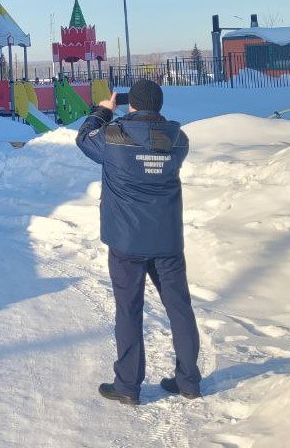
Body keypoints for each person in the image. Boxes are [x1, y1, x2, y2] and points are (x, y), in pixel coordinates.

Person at [75, 79, 201, 406]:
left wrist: (102, 112)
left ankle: (128, 386)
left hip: (126, 242)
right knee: (179, 308)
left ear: (132, 104)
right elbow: (154, 144)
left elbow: (83, 139)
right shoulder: (178, 140)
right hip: (168, 242)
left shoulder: (114, 139)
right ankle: (188, 380)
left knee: (129, 311)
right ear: (158, 105)